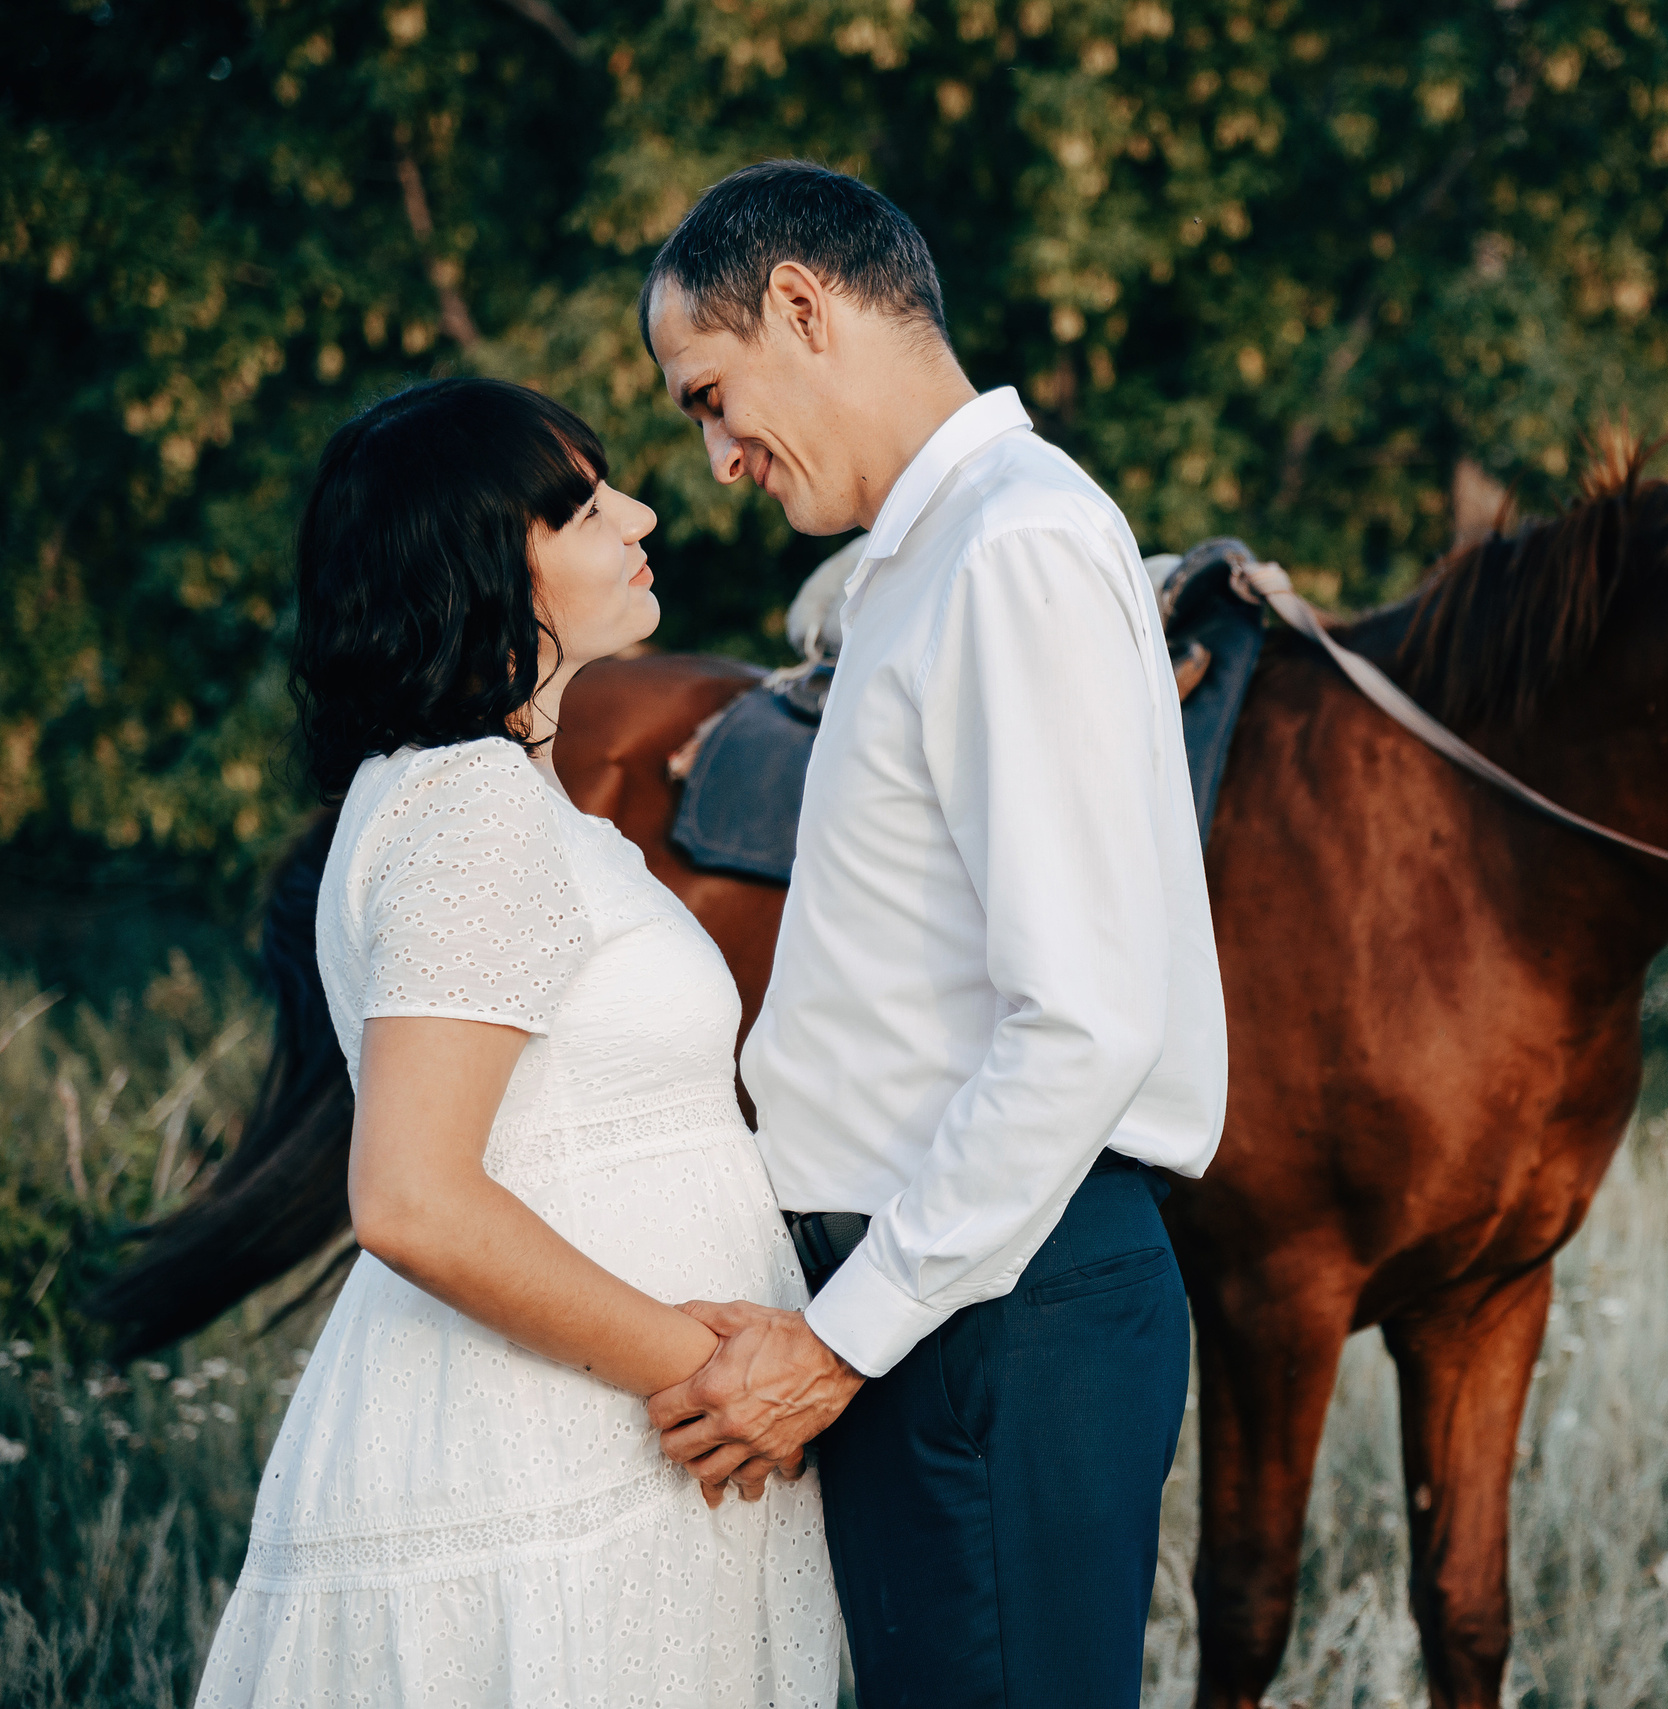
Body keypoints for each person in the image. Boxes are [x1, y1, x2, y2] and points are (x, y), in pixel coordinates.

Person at [637, 161, 1227, 1703]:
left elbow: (1084, 1022)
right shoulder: (928, 555)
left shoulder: (1010, 548)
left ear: (800, 307)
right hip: (941, 1306)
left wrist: (840, 1344)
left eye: (711, 393)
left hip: (993, 1319)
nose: (716, 457)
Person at [193, 377, 839, 1708]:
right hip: (562, 1457)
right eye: (591, 504)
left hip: (599, 1445)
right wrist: (714, 1375)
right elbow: (413, 1197)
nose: (644, 511)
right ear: (497, 561)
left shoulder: (473, 796)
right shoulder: (471, 812)